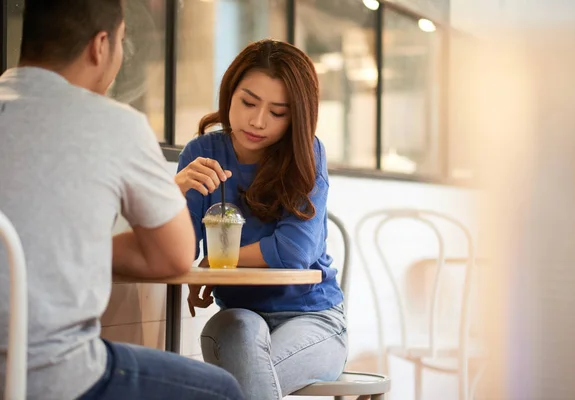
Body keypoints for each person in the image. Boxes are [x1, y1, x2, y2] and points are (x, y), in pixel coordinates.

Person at [0, 1, 244, 399]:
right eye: (122, 43)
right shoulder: (114, 123)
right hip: (53, 375)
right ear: (101, 45)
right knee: (223, 390)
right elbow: (174, 256)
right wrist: (77, 247)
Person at [177, 39, 348, 400]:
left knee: (236, 387)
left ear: (297, 115)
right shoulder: (202, 154)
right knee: (240, 336)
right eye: (248, 102)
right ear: (229, 93)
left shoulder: (306, 154)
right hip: (238, 315)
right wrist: (174, 193)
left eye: (278, 112)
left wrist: (215, 262)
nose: (257, 121)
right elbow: (180, 250)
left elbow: (293, 251)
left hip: (313, 318)